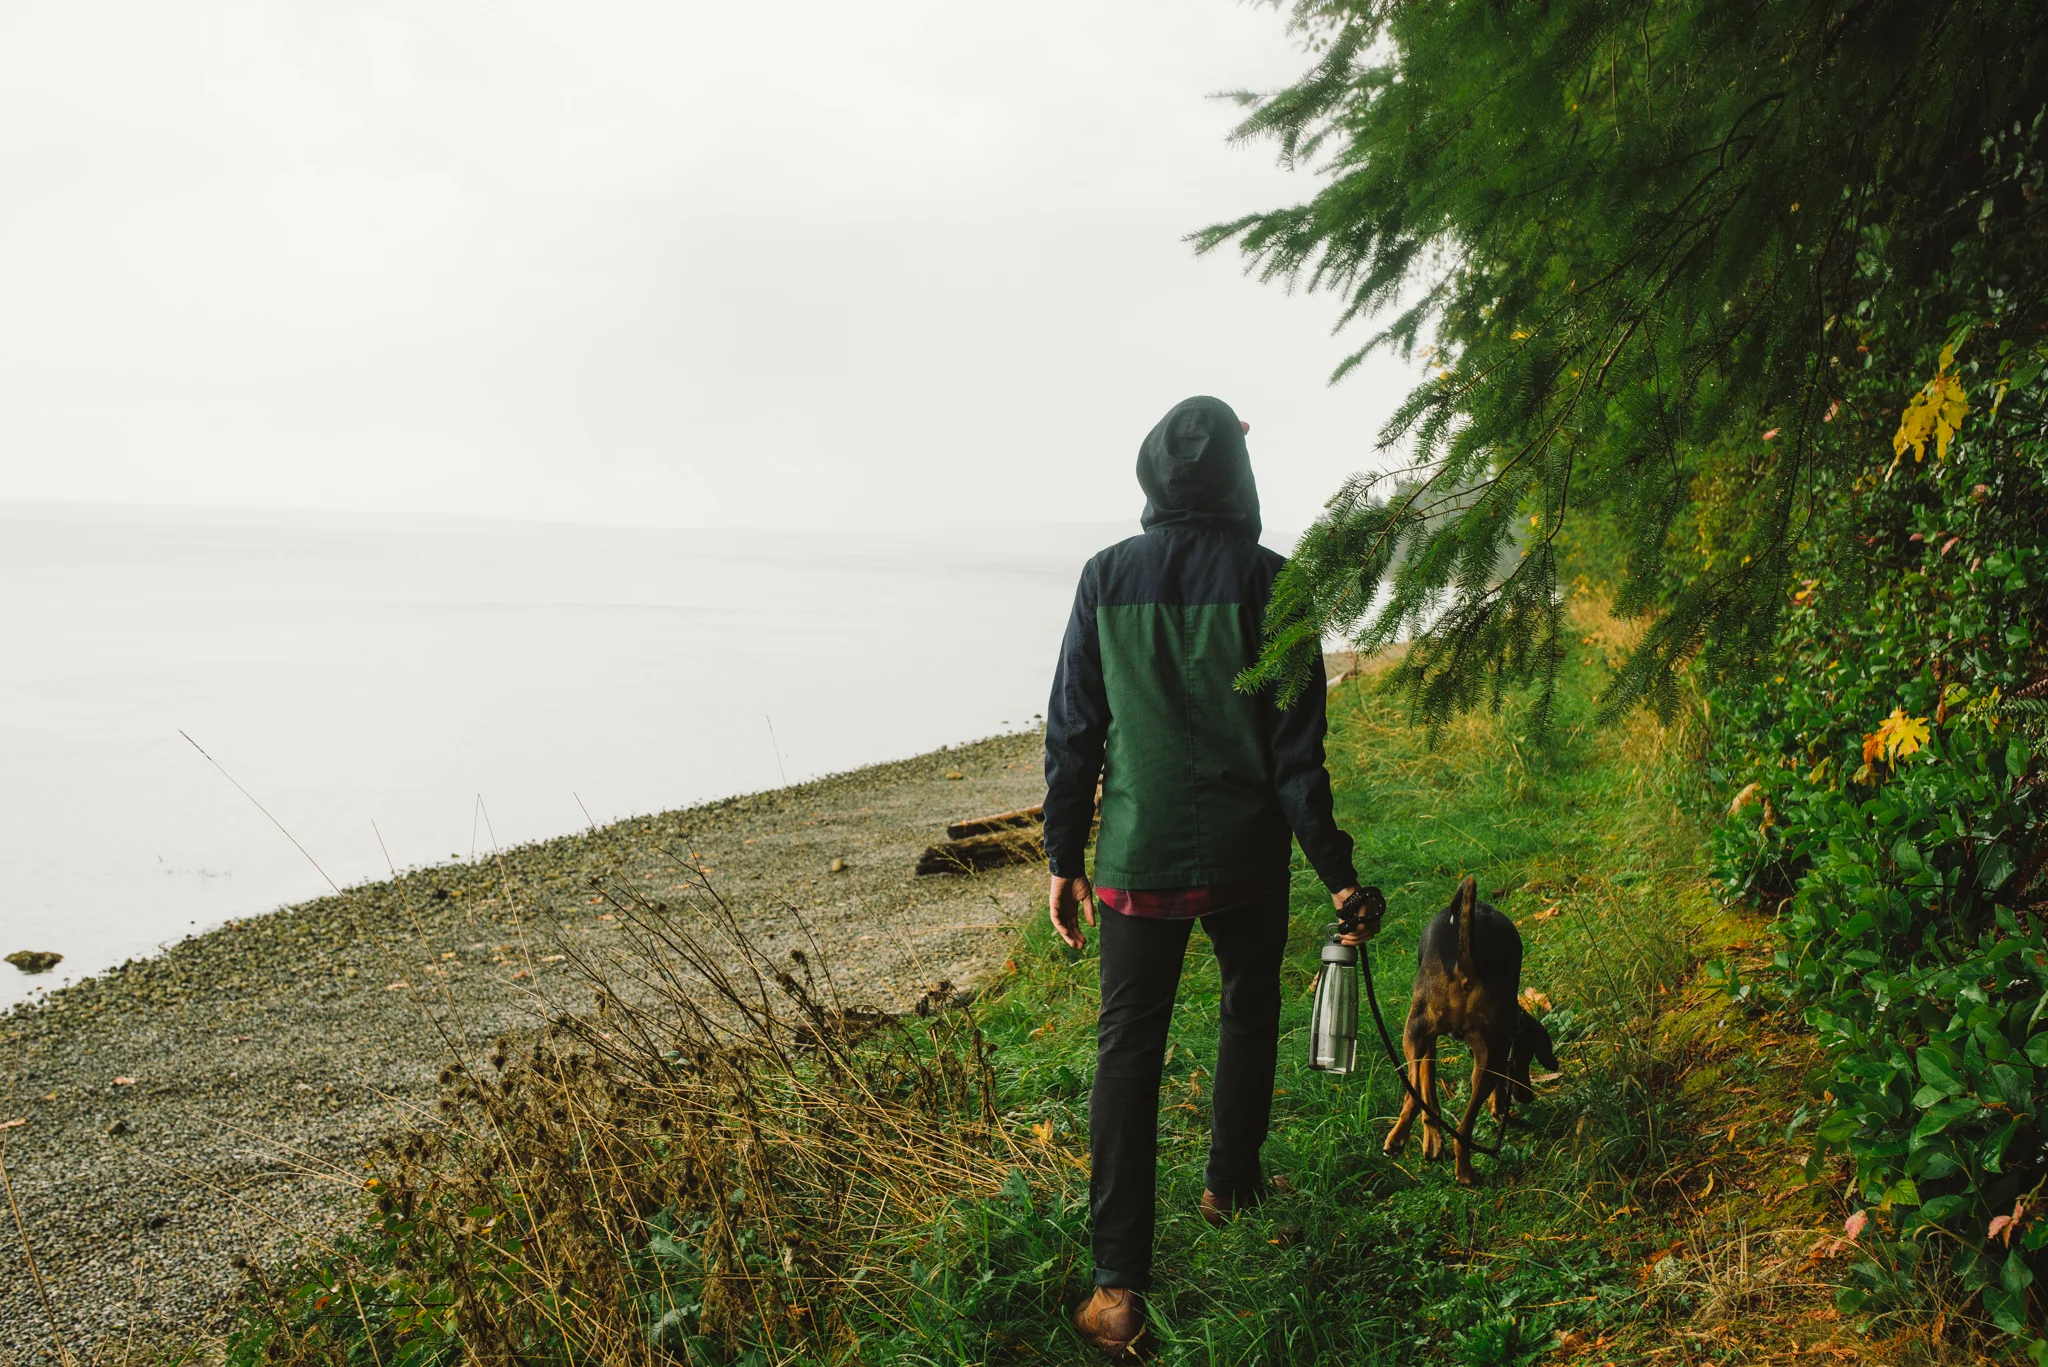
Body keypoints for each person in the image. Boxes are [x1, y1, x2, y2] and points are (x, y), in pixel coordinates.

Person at [1042, 395, 1369, 1358]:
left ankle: (1116, 1292)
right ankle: (1230, 1184)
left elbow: (1073, 732)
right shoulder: (1278, 582)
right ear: (1238, 473)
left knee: (1127, 1049)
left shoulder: (1106, 576)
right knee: (1246, 1005)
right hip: (1247, 857)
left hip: (1136, 862)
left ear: (1153, 470)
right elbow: (1298, 756)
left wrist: (1066, 856)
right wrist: (1337, 874)